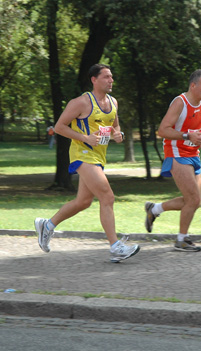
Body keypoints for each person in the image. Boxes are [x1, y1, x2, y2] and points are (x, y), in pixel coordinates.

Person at [34, 63, 140, 263]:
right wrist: (85, 138)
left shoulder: (113, 102)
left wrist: (119, 135)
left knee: (83, 202)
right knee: (107, 197)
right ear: (94, 79)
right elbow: (59, 127)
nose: (111, 80)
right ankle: (115, 247)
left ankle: (47, 225)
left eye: (111, 77)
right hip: (82, 154)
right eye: (106, 77)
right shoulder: (81, 102)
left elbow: (115, 127)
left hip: (99, 157)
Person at [144, 69, 201, 252]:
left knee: (194, 201)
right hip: (176, 154)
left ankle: (155, 209)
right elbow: (162, 130)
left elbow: (198, 131)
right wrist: (186, 135)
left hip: (193, 154)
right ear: (193, 85)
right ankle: (181, 240)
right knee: (193, 198)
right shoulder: (180, 102)